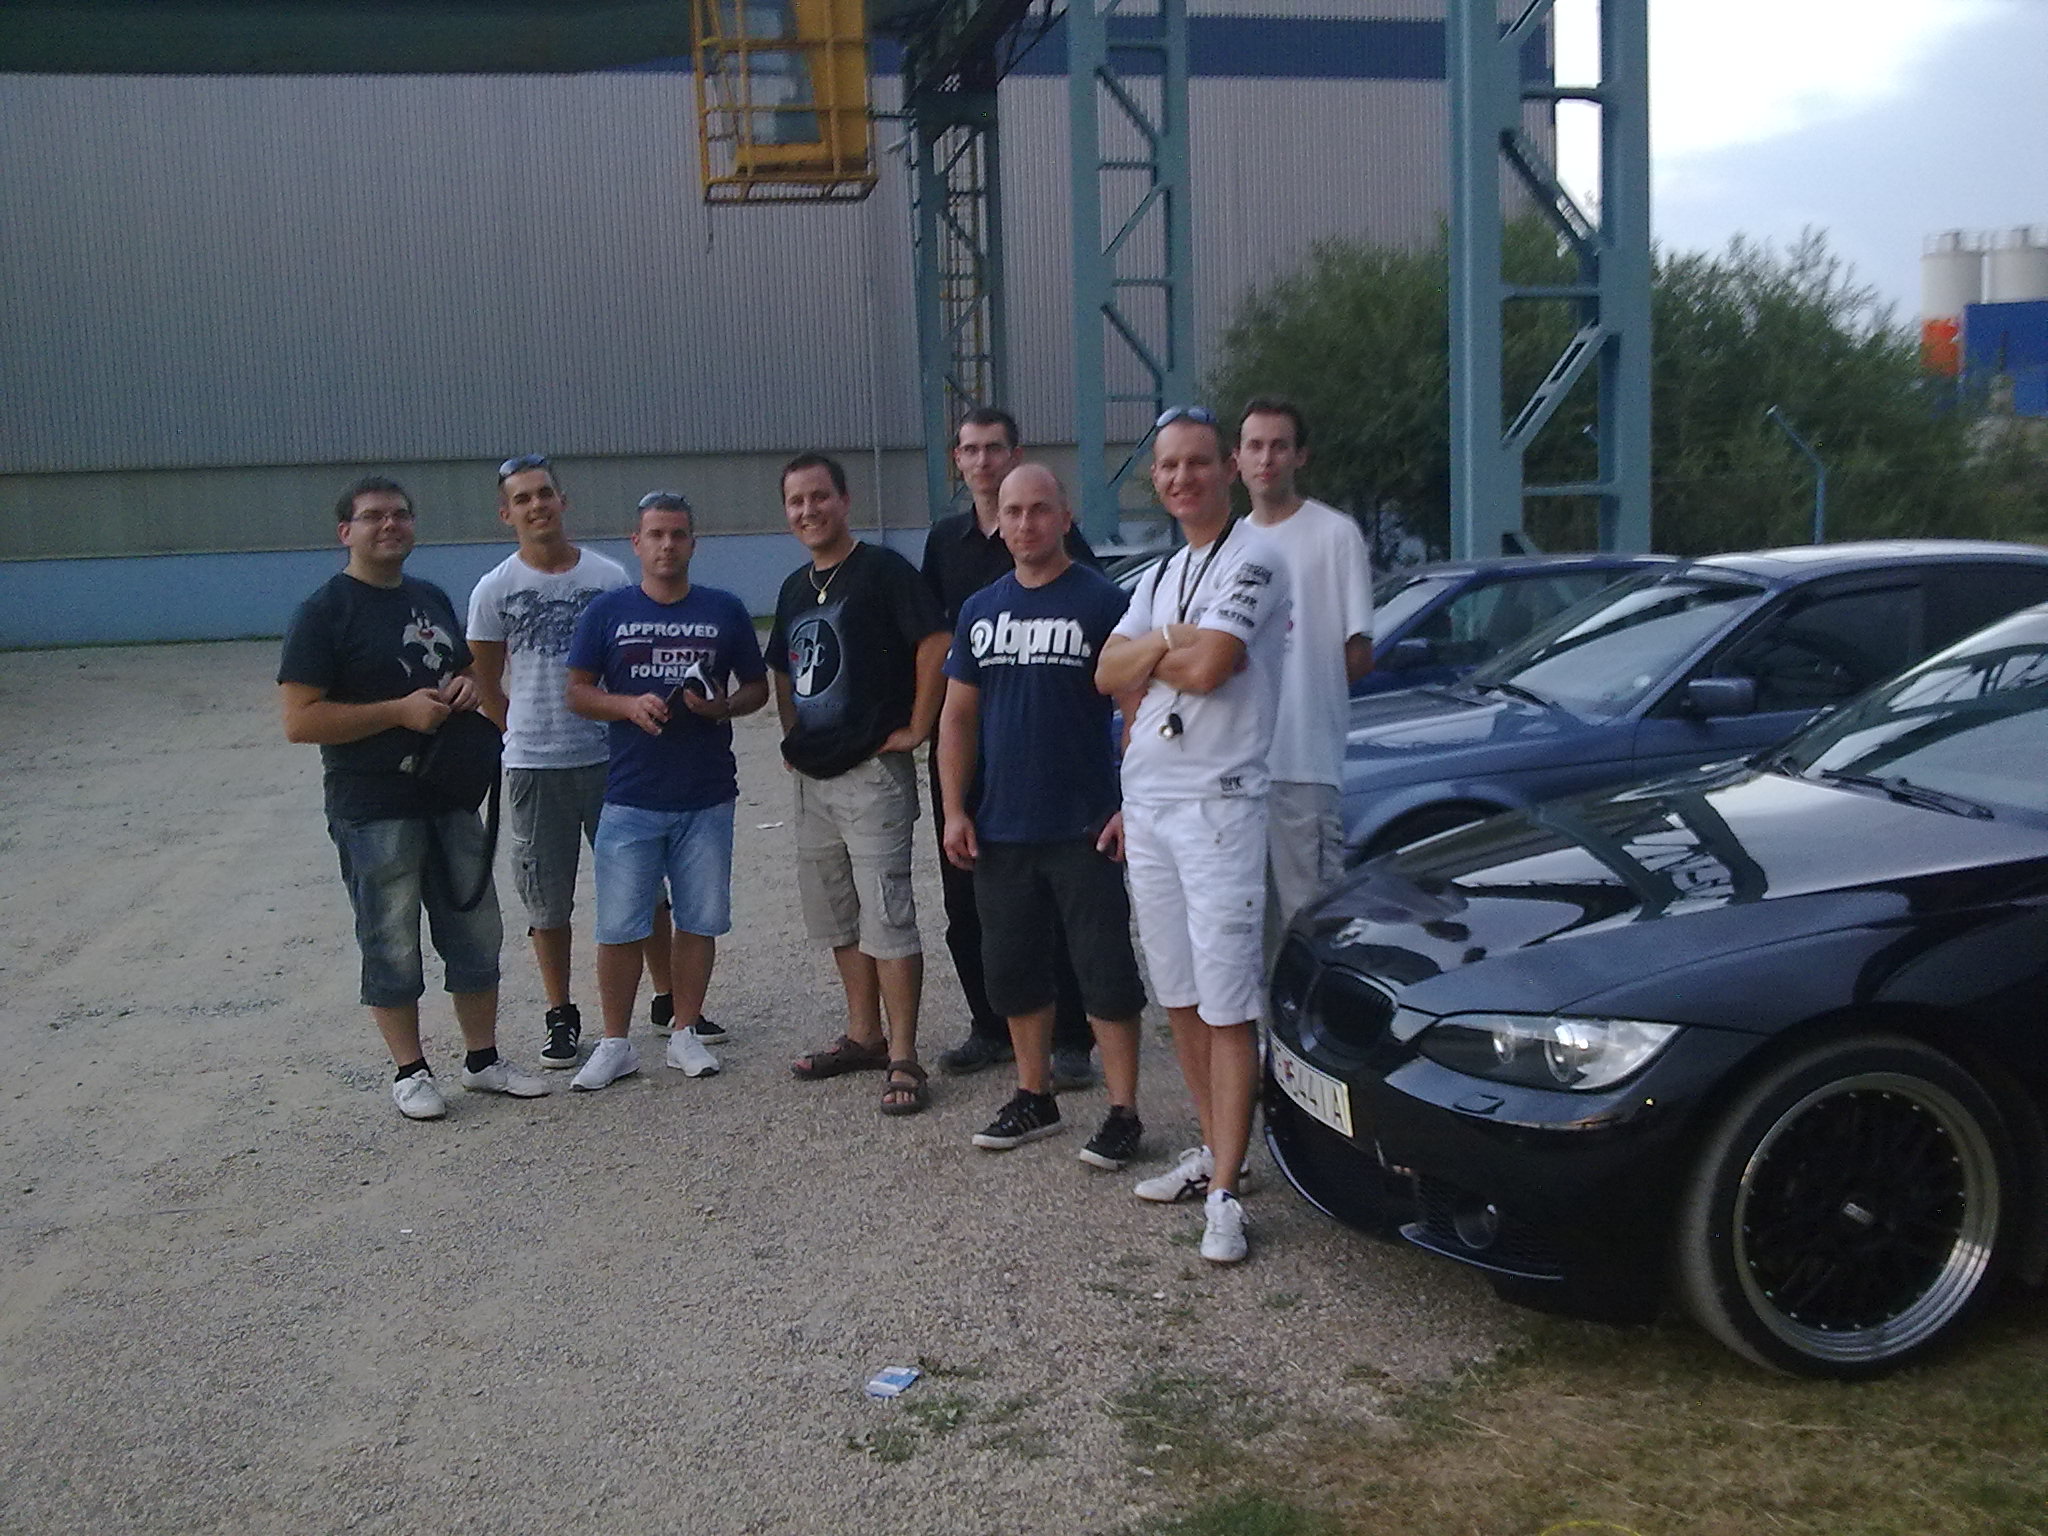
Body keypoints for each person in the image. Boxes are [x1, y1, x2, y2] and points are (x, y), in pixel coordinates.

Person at [278, 476, 551, 1120]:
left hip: (448, 793)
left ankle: (482, 1060)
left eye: (400, 514)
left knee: (475, 927)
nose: (390, 525)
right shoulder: (324, 612)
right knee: (391, 936)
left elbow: (462, 668)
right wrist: (397, 712)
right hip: (374, 804)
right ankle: (410, 1071)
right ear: (345, 531)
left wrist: (466, 688)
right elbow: (299, 719)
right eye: (373, 516)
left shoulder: (429, 598)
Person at [1095, 409, 1291, 1263]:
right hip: (1150, 803)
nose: (1182, 478)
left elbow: (1213, 670)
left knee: (1227, 1001)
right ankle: (1216, 1153)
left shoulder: (1257, 558)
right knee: (1178, 993)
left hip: (1219, 804)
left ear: (1229, 469)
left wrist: (1158, 651)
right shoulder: (1163, 572)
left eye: (1198, 463)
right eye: (1169, 466)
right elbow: (1105, 672)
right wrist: (1172, 639)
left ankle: (1226, 1197)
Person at [938, 463, 1149, 1167]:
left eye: (1039, 510)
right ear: (998, 521)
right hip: (1002, 829)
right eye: (1013, 511)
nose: (1025, 523)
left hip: (1084, 827)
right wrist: (955, 809)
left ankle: (1124, 1111)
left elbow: (1137, 712)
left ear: (1065, 516)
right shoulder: (980, 609)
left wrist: (1129, 804)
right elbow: (957, 717)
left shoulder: (1104, 602)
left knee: (1105, 972)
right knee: (1014, 971)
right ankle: (1035, 1096)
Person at [562, 491, 769, 1090]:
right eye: (655, 534)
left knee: (699, 918)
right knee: (619, 924)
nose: (667, 545)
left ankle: (684, 1031)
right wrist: (626, 705)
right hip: (630, 793)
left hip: (706, 793)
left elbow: (756, 688)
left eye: (678, 534)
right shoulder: (608, 611)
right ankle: (615, 1042)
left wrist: (721, 707)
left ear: (693, 543)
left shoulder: (724, 609)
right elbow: (577, 691)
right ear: (636, 543)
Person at [920, 409, 1101, 1089]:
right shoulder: (945, 543)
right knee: (967, 899)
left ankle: (1072, 1037)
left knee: (1055, 900)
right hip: (971, 741)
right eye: (970, 450)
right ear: (957, 461)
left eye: (994, 448)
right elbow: (932, 641)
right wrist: (921, 727)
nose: (983, 461)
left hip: (1040, 744)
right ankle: (991, 1025)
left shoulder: (1051, 533)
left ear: (1016, 454)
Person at [769, 453, 951, 1116]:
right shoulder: (793, 588)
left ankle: (903, 1053)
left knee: (886, 914)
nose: (809, 510)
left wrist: (918, 726)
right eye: (796, 501)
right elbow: (783, 669)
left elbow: (935, 641)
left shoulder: (883, 571)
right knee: (838, 915)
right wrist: (793, 738)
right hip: (814, 779)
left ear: (844, 501)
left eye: (820, 496)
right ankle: (864, 1034)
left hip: (872, 774)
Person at [466, 453, 646, 1070]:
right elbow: (486, 682)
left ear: (562, 501)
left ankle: (670, 1001)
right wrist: (520, 728)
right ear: (506, 514)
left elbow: (627, 664)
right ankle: (561, 1013)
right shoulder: (493, 590)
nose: (536, 506)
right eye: (522, 499)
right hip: (535, 766)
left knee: (640, 886)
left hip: (610, 759)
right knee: (547, 902)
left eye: (544, 493)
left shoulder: (608, 577)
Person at [1236, 400, 1374, 931]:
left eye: (1279, 446)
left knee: (1311, 922)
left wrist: (1307, 688)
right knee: (1250, 930)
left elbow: (1357, 653)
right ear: (1237, 458)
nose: (1266, 458)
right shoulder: (1232, 544)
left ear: (1300, 456)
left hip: (1305, 768)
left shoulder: (1334, 534)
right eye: (1255, 446)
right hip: (1241, 771)